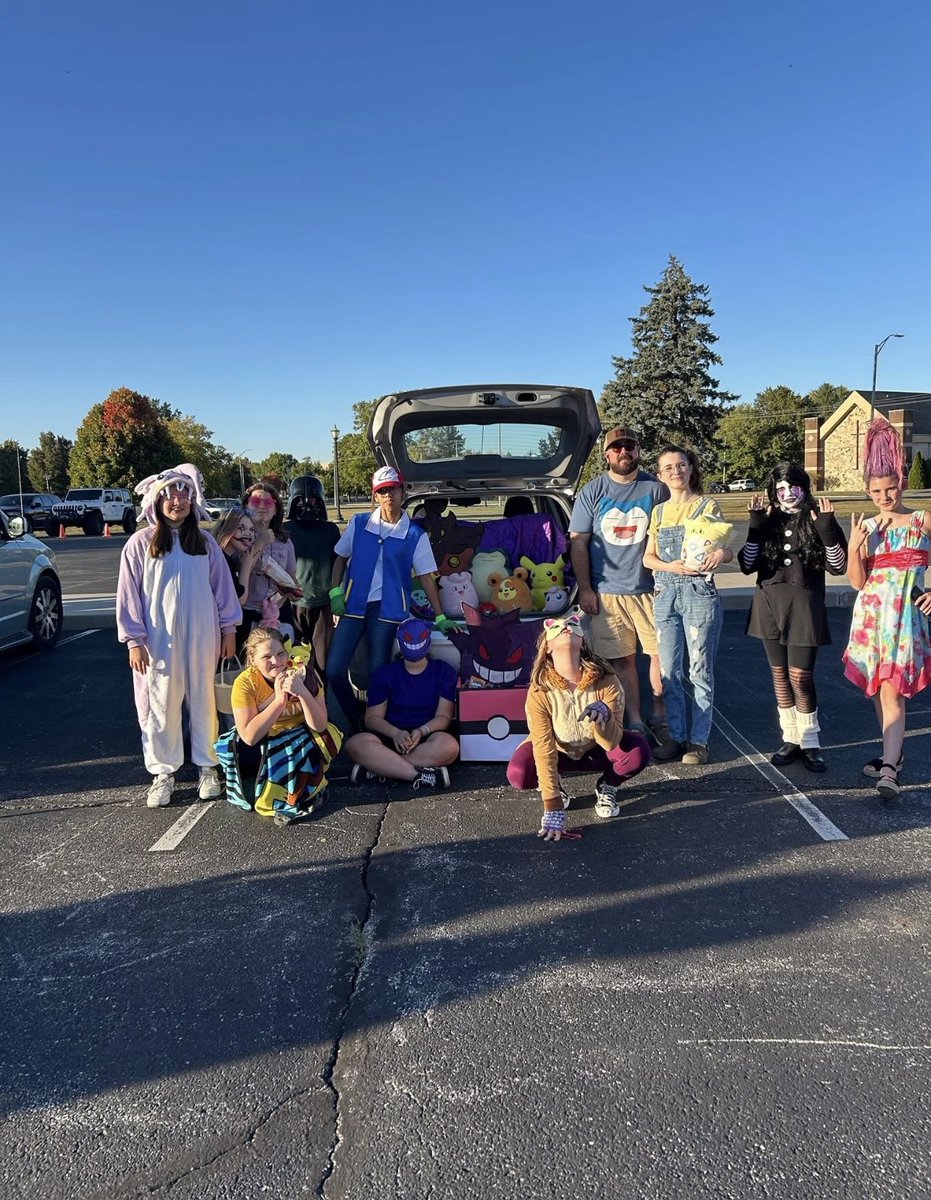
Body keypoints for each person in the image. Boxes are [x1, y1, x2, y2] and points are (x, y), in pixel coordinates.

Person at [117, 466, 242, 808]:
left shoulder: (204, 543)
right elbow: (128, 596)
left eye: (184, 494)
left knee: (204, 700)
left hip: (203, 636)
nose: (178, 501)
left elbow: (222, 591)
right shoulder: (140, 544)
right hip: (158, 642)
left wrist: (228, 629)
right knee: (160, 703)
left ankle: (207, 766)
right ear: (157, 500)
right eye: (171, 495)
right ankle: (163, 773)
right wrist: (134, 640)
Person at [842, 417, 931, 801]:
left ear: (902, 484)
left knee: (893, 693)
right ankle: (891, 754)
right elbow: (857, 582)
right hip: (871, 620)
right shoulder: (869, 526)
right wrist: (854, 544)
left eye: (891, 488)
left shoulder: (921, 520)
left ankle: (891, 770)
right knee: (881, 691)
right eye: (877, 490)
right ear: (868, 490)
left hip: (904, 620)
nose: (884, 496)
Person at [738, 462, 848, 771]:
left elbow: (838, 566)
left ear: (804, 487)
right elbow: (748, 564)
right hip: (769, 602)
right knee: (779, 674)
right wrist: (755, 528)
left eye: (793, 488)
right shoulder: (768, 519)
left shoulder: (815, 517)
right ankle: (791, 738)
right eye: (780, 489)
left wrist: (827, 529)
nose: (787, 494)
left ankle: (810, 740)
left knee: (801, 676)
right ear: (773, 491)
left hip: (804, 606)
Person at [506, 611, 651, 841]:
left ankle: (607, 786)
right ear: (548, 648)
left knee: (638, 750)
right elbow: (543, 747)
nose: (565, 627)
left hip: (597, 750)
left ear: (582, 642)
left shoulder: (607, 680)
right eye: (556, 627)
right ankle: (554, 789)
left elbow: (611, 741)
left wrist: (603, 718)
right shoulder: (539, 690)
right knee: (519, 773)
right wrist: (552, 804)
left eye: (572, 624)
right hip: (559, 751)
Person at [327, 466, 453, 728]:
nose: (388, 496)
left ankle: (375, 725)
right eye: (382, 491)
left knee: (377, 674)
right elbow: (340, 557)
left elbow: (428, 577)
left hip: (388, 611)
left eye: (393, 489)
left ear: (402, 491)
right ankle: (355, 717)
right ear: (375, 496)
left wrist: (439, 615)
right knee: (334, 670)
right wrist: (336, 591)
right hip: (353, 606)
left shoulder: (415, 534)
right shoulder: (359, 524)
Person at [569, 426, 668, 739]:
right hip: (607, 594)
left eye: (629, 447)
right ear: (606, 454)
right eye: (617, 448)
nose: (623, 452)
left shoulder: (657, 488)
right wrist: (585, 589)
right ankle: (634, 719)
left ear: (638, 451)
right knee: (622, 662)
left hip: (652, 590)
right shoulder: (592, 492)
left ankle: (661, 716)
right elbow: (578, 543)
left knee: (661, 657)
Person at [642, 445, 731, 764]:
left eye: (681, 465)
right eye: (668, 468)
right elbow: (648, 557)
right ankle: (676, 737)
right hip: (666, 594)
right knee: (669, 671)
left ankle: (699, 741)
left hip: (698, 593)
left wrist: (722, 554)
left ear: (691, 469)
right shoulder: (659, 512)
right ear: (660, 475)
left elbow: (724, 549)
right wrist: (671, 567)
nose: (676, 471)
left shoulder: (707, 505)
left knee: (700, 670)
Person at [217, 625, 340, 821]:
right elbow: (249, 736)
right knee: (267, 751)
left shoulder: (304, 673)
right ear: (253, 660)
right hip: (265, 738)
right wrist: (279, 701)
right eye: (266, 657)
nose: (277, 662)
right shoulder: (246, 683)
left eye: (281, 653)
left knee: (319, 740)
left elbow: (320, 725)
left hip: (300, 734)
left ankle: (308, 789)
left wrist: (303, 693)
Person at [344, 617, 459, 790]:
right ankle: (419, 775)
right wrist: (396, 733)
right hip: (390, 736)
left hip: (426, 737)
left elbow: (444, 717)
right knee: (355, 744)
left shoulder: (443, 672)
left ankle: (380, 769)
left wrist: (420, 732)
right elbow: (373, 718)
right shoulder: (385, 674)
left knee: (449, 746)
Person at [284, 475, 341, 671]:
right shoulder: (286, 529)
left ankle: (320, 698)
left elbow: (338, 565)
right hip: (293, 603)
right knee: (294, 657)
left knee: (321, 659)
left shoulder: (330, 530)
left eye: (313, 501)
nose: (307, 506)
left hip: (323, 604)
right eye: (302, 501)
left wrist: (337, 596)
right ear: (293, 502)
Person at [240, 482, 297, 643]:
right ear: (246, 506)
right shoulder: (238, 540)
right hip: (249, 613)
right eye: (256, 502)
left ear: (276, 509)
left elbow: (292, 576)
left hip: (280, 613)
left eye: (268, 502)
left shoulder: (285, 542)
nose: (262, 507)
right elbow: (238, 577)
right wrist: (260, 543)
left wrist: (294, 589)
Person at [212, 507, 259, 601]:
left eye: (251, 529)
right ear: (227, 529)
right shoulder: (219, 560)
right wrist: (247, 566)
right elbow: (239, 600)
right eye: (241, 528)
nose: (249, 534)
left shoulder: (227, 558)